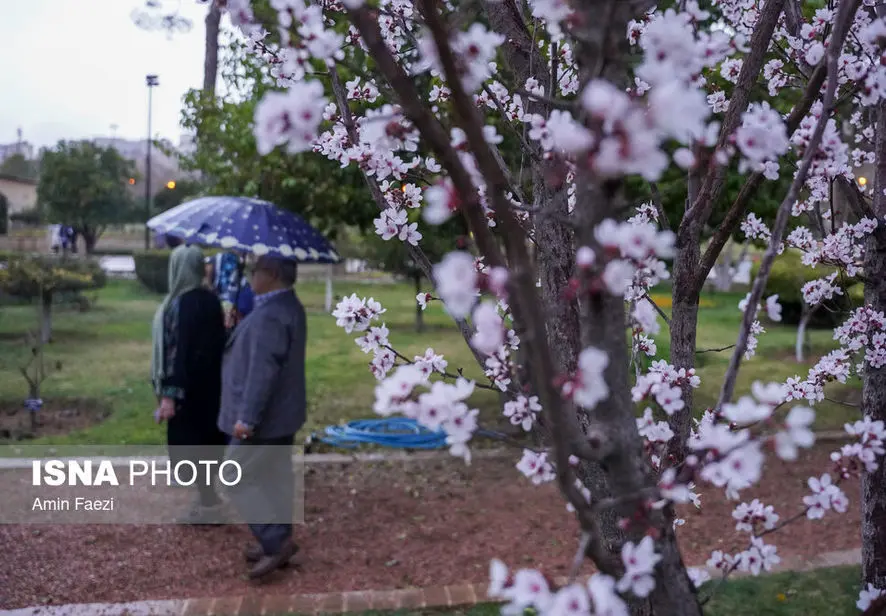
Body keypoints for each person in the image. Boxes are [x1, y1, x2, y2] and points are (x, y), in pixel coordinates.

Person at [218, 255, 305, 579]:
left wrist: (247, 419)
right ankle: (280, 537)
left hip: (264, 418)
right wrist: (239, 328)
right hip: (284, 413)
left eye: (255, 271)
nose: (251, 277)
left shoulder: (271, 314)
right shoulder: (285, 306)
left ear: (271, 274)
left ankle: (275, 541)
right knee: (274, 476)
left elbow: (262, 372)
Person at [150, 244, 228, 524]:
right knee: (207, 446)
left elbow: (177, 351)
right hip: (211, 388)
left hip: (187, 391)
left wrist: (169, 395)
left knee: (189, 448)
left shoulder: (180, 304)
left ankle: (210, 507)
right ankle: (209, 500)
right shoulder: (211, 300)